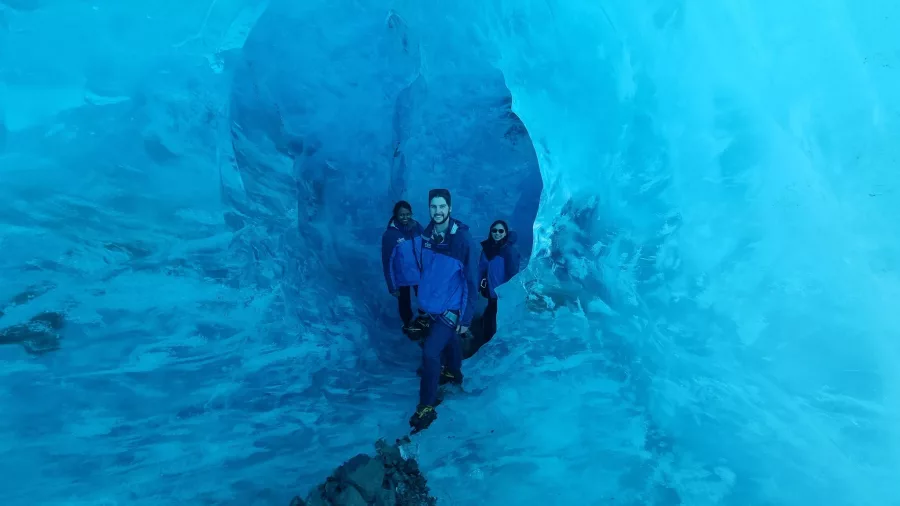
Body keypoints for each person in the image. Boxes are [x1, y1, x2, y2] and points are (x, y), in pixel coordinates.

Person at [408, 188, 479, 433]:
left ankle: (426, 405)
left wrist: (466, 317)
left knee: (429, 353)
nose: (437, 211)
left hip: (450, 309)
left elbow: (471, 281)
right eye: (433, 207)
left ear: (450, 208)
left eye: (442, 207)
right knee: (448, 343)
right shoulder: (426, 235)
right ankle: (453, 372)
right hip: (433, 307)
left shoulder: (462, 241)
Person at [381, 200, 426, 334]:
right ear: (396, 215)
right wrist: (392, 286)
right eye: (401, 215)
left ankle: (424, 320)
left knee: (425, 298)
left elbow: (427, 247)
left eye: (407, 214)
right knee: (404, 303)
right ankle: (408, 324)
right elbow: (387, 262)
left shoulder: (417, 227)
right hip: (402, 278)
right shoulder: (390, 235)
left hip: (419, 274)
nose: (405, 217)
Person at [477, 220, 521, 342]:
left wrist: (509, 296)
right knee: (489, 320)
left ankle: (491, 351)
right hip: (492, 294)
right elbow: (481, 269)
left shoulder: (509, 251)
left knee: (492, 324)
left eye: (501, 231)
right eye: (494, 230)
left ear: (506, 232)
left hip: (502, 297)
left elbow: (513, 275)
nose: (497, 233)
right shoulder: (487, 249)